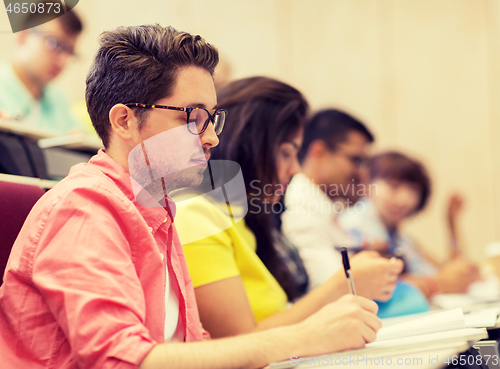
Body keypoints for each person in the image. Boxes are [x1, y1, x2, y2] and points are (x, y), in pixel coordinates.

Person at [0, 25, 382, 368]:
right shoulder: (83, 208)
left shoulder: (158, 209)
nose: (212, 137)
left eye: (212, 119)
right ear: (125, 120)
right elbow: (120, 360)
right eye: (192, 118)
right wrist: (303, 338)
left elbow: (191, 345)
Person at [173, 78, 401, 339]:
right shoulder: (196, 214)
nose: (294, 169)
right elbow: (238, 343)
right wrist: (343, 285)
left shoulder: (244, 219)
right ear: (247, 148)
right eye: (285, 154)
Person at [281, 109, 402, 292]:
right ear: (320, 153)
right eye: (356, 160)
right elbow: (331, 289)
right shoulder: (298, 208)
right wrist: (432, 285)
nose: (362, 174)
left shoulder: (323, 206)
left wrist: (365, 258)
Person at [339, 151, 481, 298]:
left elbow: (448, 273)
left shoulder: (402, 239)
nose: (404, 199)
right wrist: (440, 283)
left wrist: (451, 223)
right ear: (367, 183)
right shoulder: (354, 225)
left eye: (413, 189)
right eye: (394, 186)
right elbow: (371, 284)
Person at [0, 2, 83, 134]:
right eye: (54, 44)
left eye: (69, 52)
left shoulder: (58, 101)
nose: (63, 61)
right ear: (23, 35)